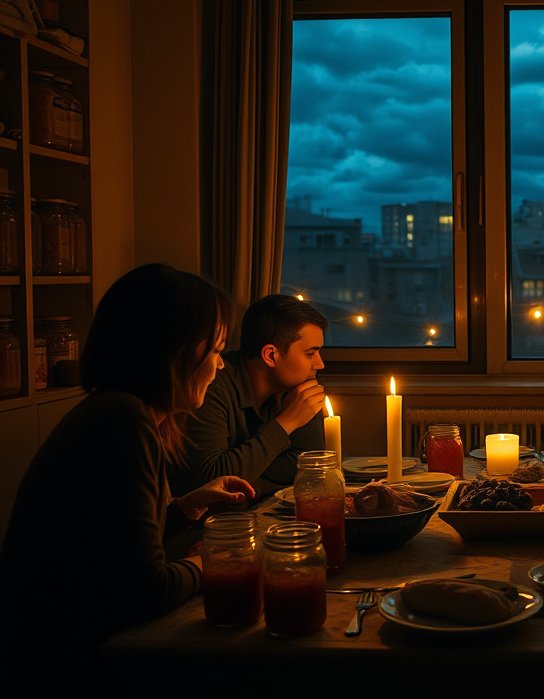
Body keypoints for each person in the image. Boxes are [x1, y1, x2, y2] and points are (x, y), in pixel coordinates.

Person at [0, 264, 255, 684]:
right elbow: (144, 591)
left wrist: (183, 510)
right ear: (173, 352)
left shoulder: (124, 412)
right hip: (60, 659)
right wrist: (213, 562)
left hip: (74, 638)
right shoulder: (122, 420)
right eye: (215, 350)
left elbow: (109, 545)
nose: (221, 366)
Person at [170, 293, 328, 500]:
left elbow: (310, 464)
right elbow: (210, 480)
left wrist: (249, 483)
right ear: (270, 355)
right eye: (310, 354)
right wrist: (287, 422)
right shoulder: (209, 385)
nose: (319, 364)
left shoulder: (296, 387)